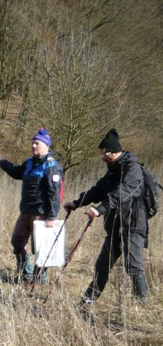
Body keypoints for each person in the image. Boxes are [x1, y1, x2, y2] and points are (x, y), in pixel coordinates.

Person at [63, 129, 149, 313]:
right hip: (115, 227)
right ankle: (88, 301)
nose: (101, 157)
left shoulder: (133, 170)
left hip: (132, 225)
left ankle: (142, 307)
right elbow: (97, 190)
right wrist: (77, 203)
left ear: (112, 152)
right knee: (102, 264)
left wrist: (99, 209)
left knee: (133, 266)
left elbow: (122, 194)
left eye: (103, 154)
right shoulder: (112, 171)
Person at [0, 128, 63, 285]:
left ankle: (38, 282)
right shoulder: (29, 162)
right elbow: (16, 173)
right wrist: (0, 161)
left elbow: (54, 194)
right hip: (26, 212)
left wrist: (52, 217)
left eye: (37, 143)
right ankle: (25, 275)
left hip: (42, 214)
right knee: (17, 242)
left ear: (46, 146)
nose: (34, 146)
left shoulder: (52, 166)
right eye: (33, 143)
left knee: (41, 251)